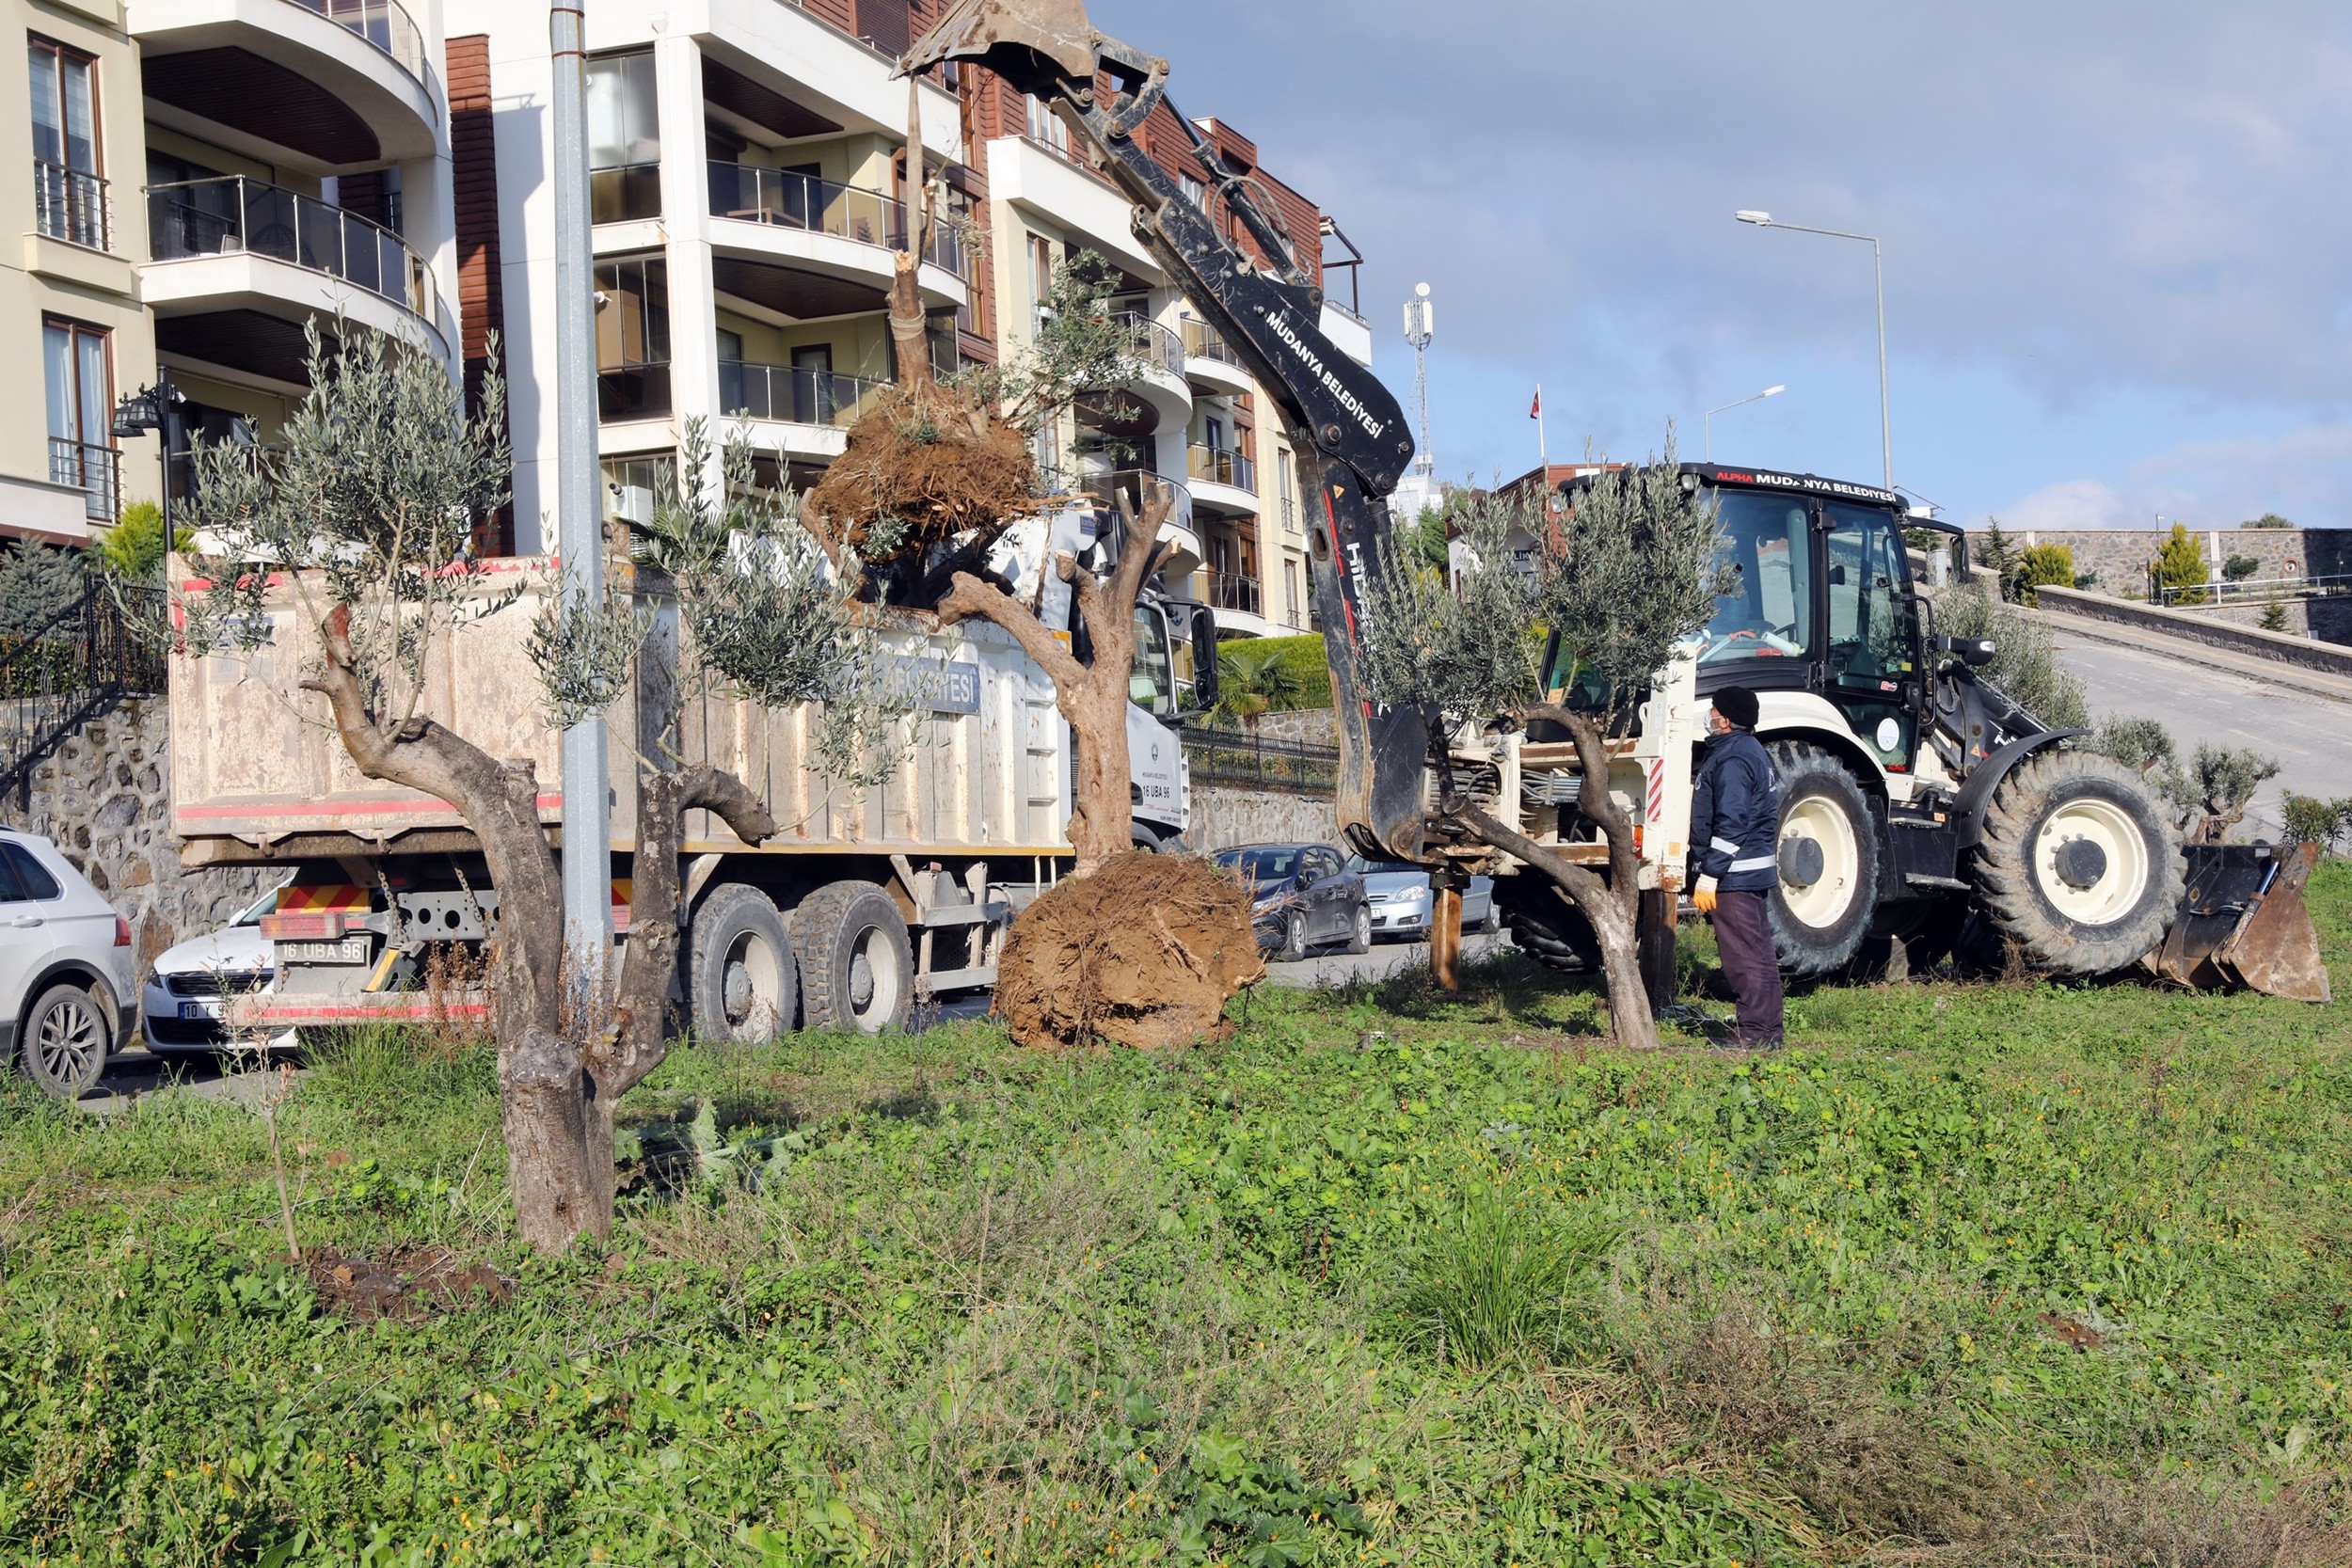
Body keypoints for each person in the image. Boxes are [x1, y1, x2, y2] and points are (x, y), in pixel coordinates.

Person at [1689, 686, 1784, 1049]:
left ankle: (1754, 1036)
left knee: (1744, 958)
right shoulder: (1750, 751)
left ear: (1725, 719)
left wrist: (1710, 874)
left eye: (1713, 710)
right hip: (1749, 872)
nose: (1709, 715)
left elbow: (1732, 822)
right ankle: (1768, 1033)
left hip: (1735, 874)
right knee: (1758, 954)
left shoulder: (1732, 759)